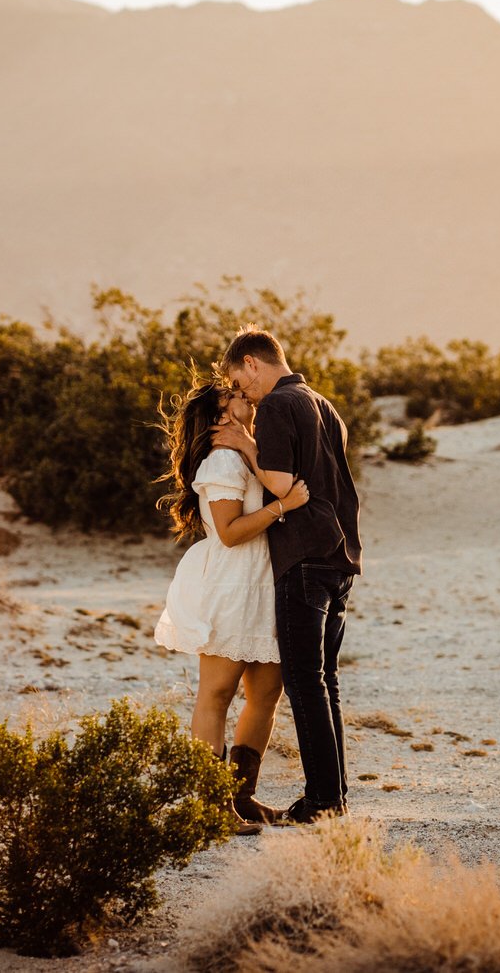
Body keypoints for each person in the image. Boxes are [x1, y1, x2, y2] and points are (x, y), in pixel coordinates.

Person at [213, 327, 362, 824]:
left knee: (304, 683)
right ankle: (333, 797)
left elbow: (281, 482)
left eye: (239, 379)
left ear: (252, 363)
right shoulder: (324, 403)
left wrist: (246, 445)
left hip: (303, 557)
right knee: (326, 681)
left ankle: (321, 802)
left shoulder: (277, 404)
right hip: (341, 554)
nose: (244, 392)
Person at [155, 375, 310, 835]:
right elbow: (229, 531)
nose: (246, 396)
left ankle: (242, 797)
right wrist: (284, 506)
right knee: (217, 693)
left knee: (266, 695)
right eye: (234, 396)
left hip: (264, 583)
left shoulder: (248, 450)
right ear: (222, 417)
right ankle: (209, 808)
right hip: (230, 584)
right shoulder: (222, 460)